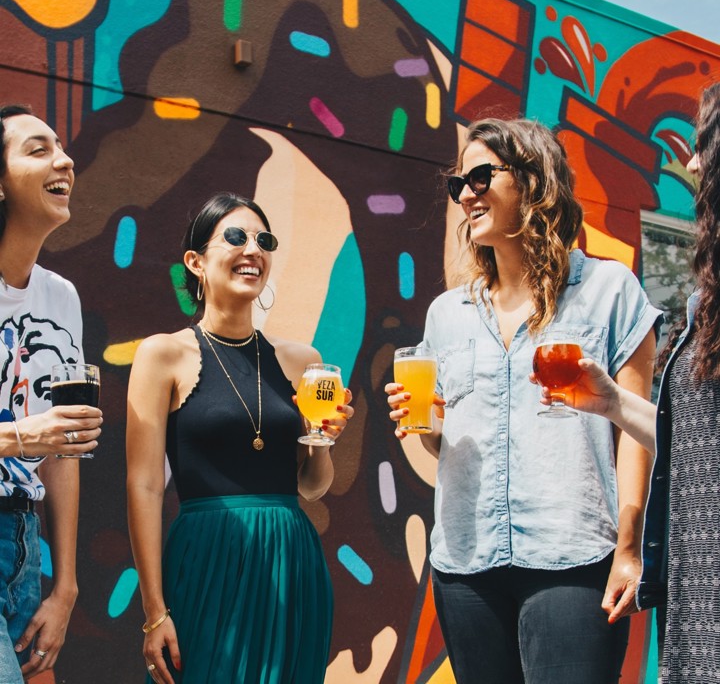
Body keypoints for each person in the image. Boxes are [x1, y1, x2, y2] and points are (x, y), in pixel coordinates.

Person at [385, 118, 662, 683]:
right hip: (465, 564)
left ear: (535, 181)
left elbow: (637, 436)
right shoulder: (447, 314)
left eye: (483, 175)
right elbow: (451, 444)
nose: (466, 193)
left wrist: (629, 548)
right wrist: (426, 426)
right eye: (458, 183)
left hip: (575, 557)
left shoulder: (610, 292)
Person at [534, 82, 720, 683]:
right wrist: (612, 402)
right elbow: (696, 443)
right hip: (699, 593)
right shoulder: (704, 303)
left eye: (703, 147)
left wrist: (630, 545)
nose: (691, 164)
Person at [126, 192, 353, 684]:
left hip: (290, 559)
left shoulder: (304, 360)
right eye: (235, 236)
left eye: (263, 240)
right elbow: (143, 486)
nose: (253, 249)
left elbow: (313, 486)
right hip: (207, 559)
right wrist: (154, 611)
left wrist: (323, 439)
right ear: (196, 262)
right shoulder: (162, 354)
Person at [0, 104, 102, 682]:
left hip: (25, 543)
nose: (64, 159)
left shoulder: (61, 298)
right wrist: (22, 435)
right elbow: (40, 435)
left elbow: (64, 449)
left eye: (60, 147)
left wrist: (64, 587)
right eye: (37, 149)